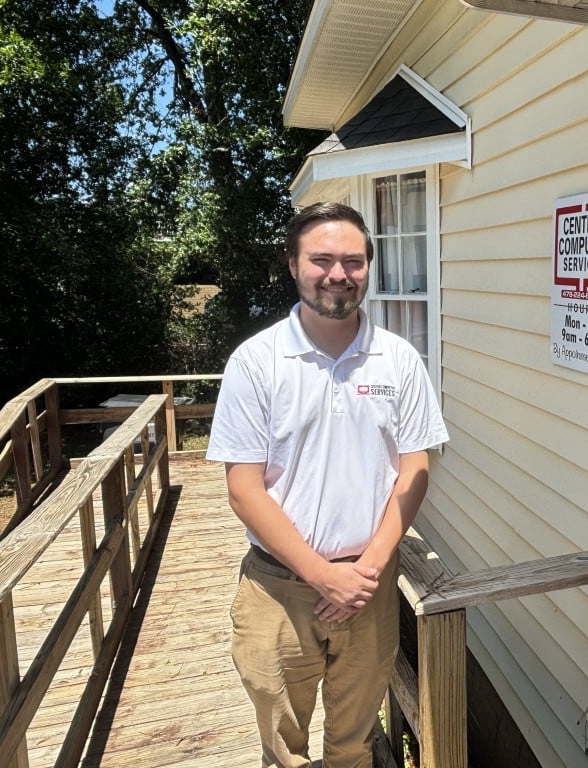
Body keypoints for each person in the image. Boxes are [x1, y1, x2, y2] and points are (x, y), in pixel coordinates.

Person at [206, 201, 449, 768]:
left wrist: (363, 573)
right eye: (322, 260)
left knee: (355, 744)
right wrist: (324, 578)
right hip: (279, 590)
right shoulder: (257, 361)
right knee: (283, 748)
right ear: (292, 265)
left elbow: (415, 468)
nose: (339, 274)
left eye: (353, 261)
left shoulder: (399, 361)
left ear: (369, 267)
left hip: (369, 585)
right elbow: (244, 488)